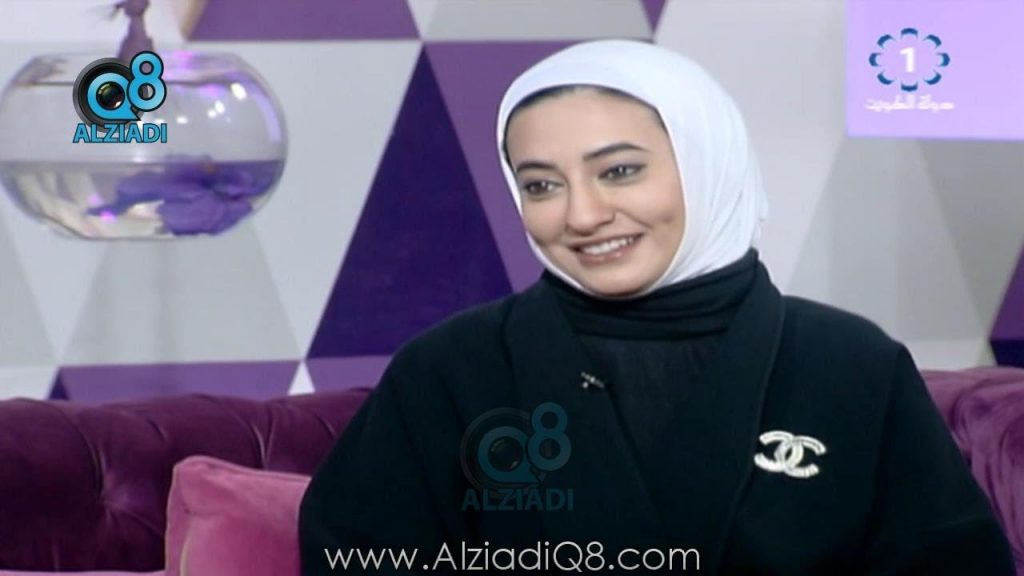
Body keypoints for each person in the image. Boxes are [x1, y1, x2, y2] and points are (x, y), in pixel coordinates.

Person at [299, 39, 1015, 575]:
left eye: (619, 171)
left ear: (708, 161)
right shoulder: (449, 369)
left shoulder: (851, 365)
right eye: (541, 185)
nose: (582, 215)